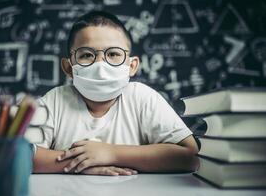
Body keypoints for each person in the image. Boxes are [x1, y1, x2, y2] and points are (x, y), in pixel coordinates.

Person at [31, 10, 199, 176]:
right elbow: (20, 154)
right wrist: (82, 164)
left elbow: (190, 156)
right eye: (87, 55)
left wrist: (110, 153)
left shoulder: (143, 99)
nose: (100, 65)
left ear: (132, 66)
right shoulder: (54, 101)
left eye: (113, 54)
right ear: (68, 67)